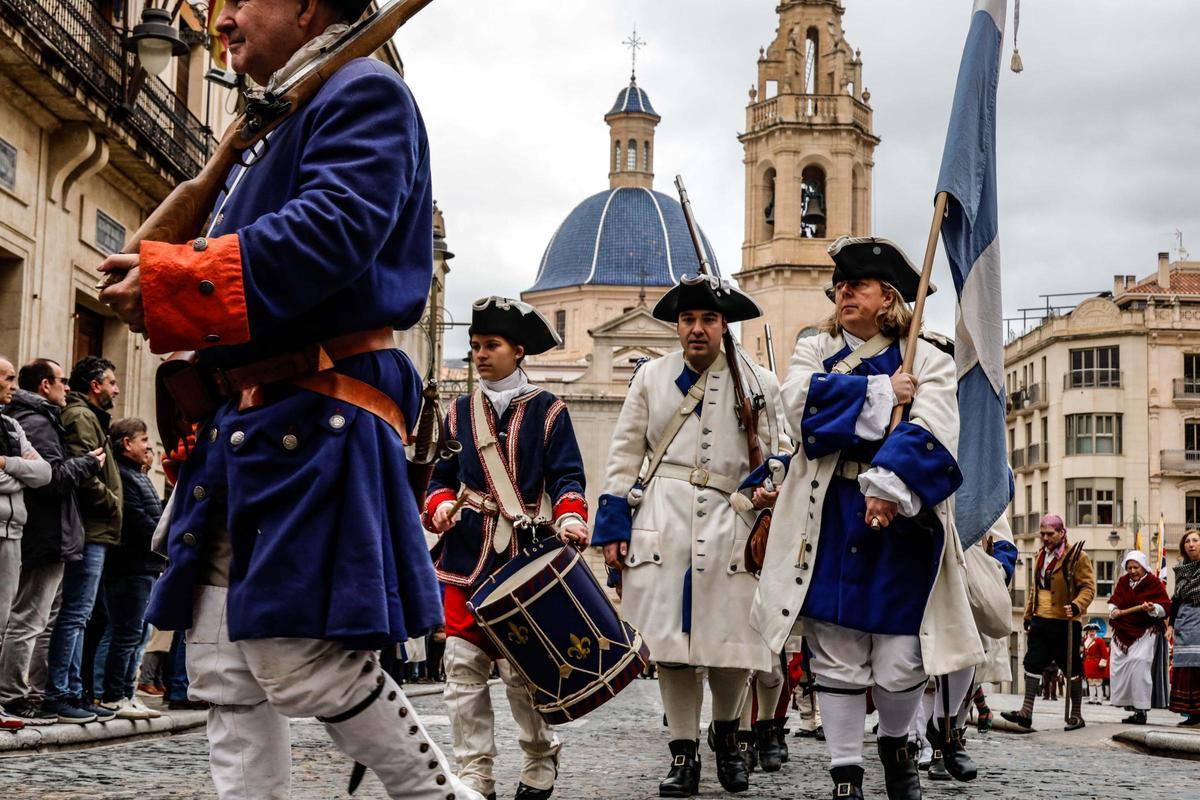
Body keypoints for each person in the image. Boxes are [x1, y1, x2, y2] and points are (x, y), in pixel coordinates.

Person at [96, 1, 483, 797]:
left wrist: (177, 277)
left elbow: (332, 231)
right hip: (254, 421)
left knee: (302, 664)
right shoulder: (277, 118)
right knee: (220, 666)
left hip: (316, 411)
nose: (223, 16)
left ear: (307, 6)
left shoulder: (362, 92)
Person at [750, 237, 982, 800]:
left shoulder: (928, 357)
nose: (845, 292)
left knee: (902, 655)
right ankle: (845, 771)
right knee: (835, 647)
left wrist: (888, 485)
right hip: (828, 514)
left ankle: (898, 746)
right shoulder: (816, 347)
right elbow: (801, 406)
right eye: (842, 285)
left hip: (904, 520)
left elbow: (935, 429)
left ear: (890, 298)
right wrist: (881, 390)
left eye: (860, 285)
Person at [594, 273, 790, 797]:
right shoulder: (650, 379)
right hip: (664, 520)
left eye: (707, 319)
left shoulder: (760, 383)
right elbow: (624, 456)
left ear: (724, 325)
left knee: (731, 644)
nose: (696, 329)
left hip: (734, 519)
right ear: (677, 326)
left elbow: (780, 456)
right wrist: (613, 526)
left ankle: (727, 736)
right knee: (670, 648)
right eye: (687, 320)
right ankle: (683, 753)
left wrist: (763, 493)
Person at [424, 297, 589, 800]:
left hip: (523, 555)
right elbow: (439, 477)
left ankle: (540, 755)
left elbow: (567, 477)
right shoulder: (457, 413)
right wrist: (442, 506)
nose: (480, 354)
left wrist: (570, 516)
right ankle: (475, 770)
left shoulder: (549, 410)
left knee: (523, 672)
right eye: (474, 346)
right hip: (465, 556)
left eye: (490, 345)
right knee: (461, 669)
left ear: (518, 351)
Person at [0, 359, 103, 725]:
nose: (68, 389)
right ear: (46, 385)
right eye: (62, 382)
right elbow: (51, 479)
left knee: (32, 618)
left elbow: (41, 471)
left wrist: (11, 466)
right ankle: (16, 697)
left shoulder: (18, 421)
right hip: (40, 533)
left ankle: (25, 694)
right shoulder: (36, 421)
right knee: (27, 619)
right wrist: (88, 464)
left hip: (29, 530)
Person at [42, 356, 123, 723]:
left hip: (96, 530)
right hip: (89, 529)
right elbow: (85, 471)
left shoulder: (90, 417)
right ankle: (61, 692)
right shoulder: (81, 416)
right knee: (75, 614)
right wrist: (114, 504)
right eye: (111, 382)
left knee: (83, 614)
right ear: (94, 385)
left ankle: (74, 691)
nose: (116, 389)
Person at [97, 418, 166, 720]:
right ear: (127, 444)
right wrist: (164, 541)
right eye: (143, 440)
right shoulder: (124, 477)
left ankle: (126, 691)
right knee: (127, 632)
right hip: (131, 565)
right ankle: (114, 695)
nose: (148, 446)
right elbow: (139, 522)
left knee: (137, 633)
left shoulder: (138, 476)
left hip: (144, 564)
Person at [1002, 514, 1095, 732]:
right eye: (1042, 534)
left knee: (1071, 667)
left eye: (1049, 534)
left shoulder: (1077, 557)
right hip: (1041, 619)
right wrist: (1028, 614)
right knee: (1033, 663)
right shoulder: (1040, 555)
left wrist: (1076, 605)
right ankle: (1026, 712)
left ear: (1062, 533)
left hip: (1065, 621)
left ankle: (1076, 715)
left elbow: (1089, 588)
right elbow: (1036, 588)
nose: (1045, 538)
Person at [0, 355, 53, 731]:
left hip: (12, 532)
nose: (12, 385)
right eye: (5, 378)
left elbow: (44, 472)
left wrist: (7, 465)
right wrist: (19, 471)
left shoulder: (9, 425)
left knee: (3, 621)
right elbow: (27, 476)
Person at [1107, 550, 1171, 724]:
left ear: (1143, 567)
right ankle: (1132, 708)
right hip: (1123, 630)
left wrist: (1153, 608)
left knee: (1140, 665)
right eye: (1129, 567)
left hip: (1145, 631)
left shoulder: (1153, 583)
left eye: (1136, 567)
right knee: (1120, 667)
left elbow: (1165, 606)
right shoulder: (1123, 582)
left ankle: (1142, 710)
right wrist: (1113, 610)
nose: (1133, 570)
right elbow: (1114, 601)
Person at [1168, 529, 1200, 726]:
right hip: (1185, 620)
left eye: (1195, 540)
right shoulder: (1181, 570)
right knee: (1187, 666)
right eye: (1187, 541)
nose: (1191, 544)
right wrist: (1171, 625)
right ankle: (1192, 713)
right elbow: (1176, 599)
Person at [1082, 623, 1109, 705]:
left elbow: (1105, 653)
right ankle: (1091, 699)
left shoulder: (1099, 640)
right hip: (1088, 664)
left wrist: (1103, 663)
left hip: (1097, 664)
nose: (1091, 633)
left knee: (1098, 682)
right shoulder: (1086, 640)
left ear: (1095, 631)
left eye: (1093, 631)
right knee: (1090, 682)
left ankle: (1099, 699)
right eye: (1090, 631)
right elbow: (1084, 654)